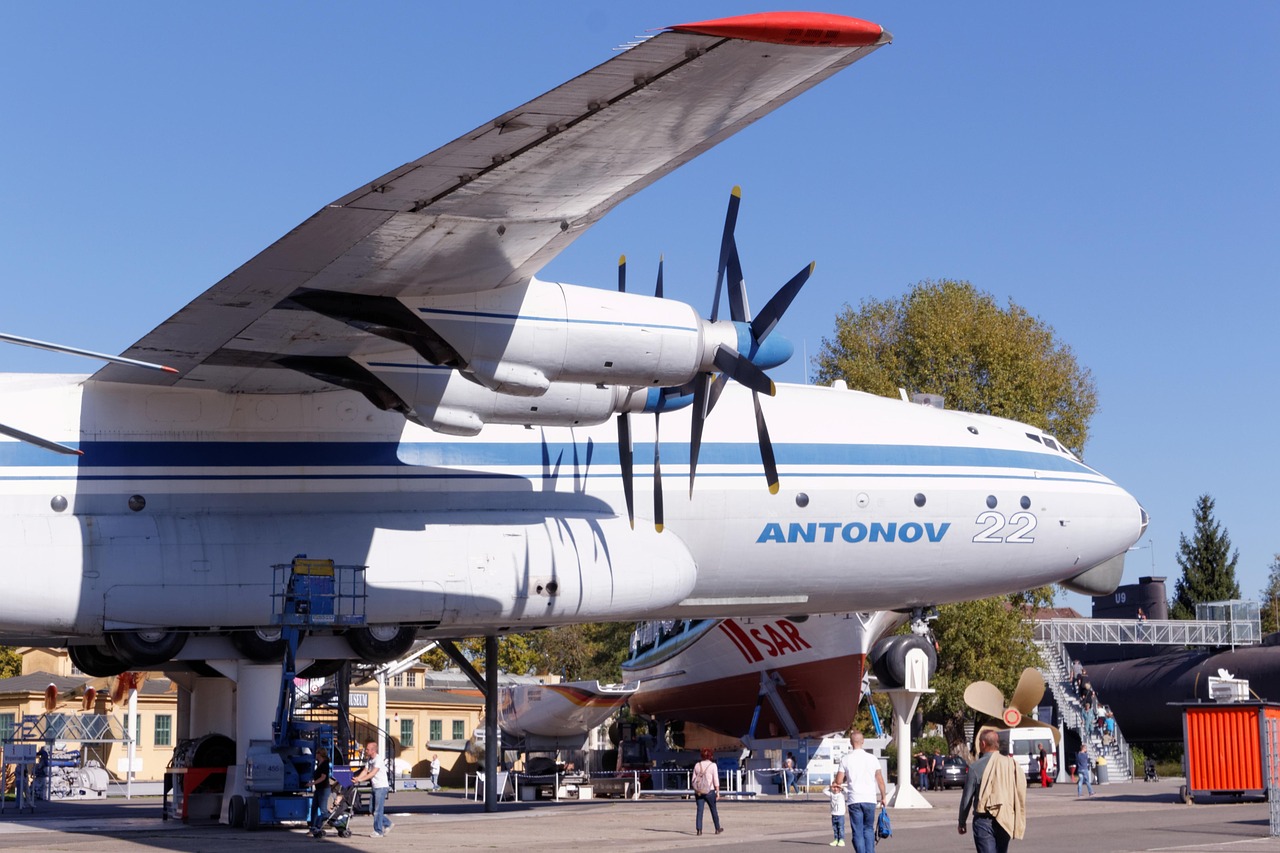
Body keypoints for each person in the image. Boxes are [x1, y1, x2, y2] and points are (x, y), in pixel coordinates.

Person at [958, 730, 1026, 853]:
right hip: (1005, 818)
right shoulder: (1010, 764)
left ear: (983, 744)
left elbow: (966, 799)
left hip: (984, 820)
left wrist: (961, 821)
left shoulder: (975, 767)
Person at [833, 731, 887, 853]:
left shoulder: (845, 759)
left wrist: (845, 777)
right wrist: (883, 797)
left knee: (857, 831)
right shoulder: (872, 758)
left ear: (851, 743)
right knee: (868, 829)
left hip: (854, 800)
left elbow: (839, 781)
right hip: (870, 799)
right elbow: (880, 780)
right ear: (863, 741)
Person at [351, 740, 393, 837]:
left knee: (378, 810)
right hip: (375, 787)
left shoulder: (378, 760)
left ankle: (378, 831)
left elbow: (372, 773)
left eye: (368, 749)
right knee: (371, 809)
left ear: (373, 751)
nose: (366, 751)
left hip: (381, 787)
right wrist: (358, 778)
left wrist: (360, 780)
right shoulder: (369, 760)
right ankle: (388, 823)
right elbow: (365, 770)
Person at [690, 748, 723, 836]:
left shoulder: (697, 765)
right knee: (713, 810)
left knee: (699, 811)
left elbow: (693, 779)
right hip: (710, 791)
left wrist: (696, 789)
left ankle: (699, 830)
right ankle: (717, 828)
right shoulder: (713, 765)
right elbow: (715, 779)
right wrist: (718, 792)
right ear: (711, 755)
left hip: (699, 792)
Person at [309, 747, 331, 835]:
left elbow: (323, 777)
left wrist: (312, 783)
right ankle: (313, 826)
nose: (315, 755)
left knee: (323, 809)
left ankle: (323, 823)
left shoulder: (325, 764)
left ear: (320, 754)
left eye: (317, 753)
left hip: (324, 789)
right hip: (318, 789)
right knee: (314, 807)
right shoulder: (319, 763)